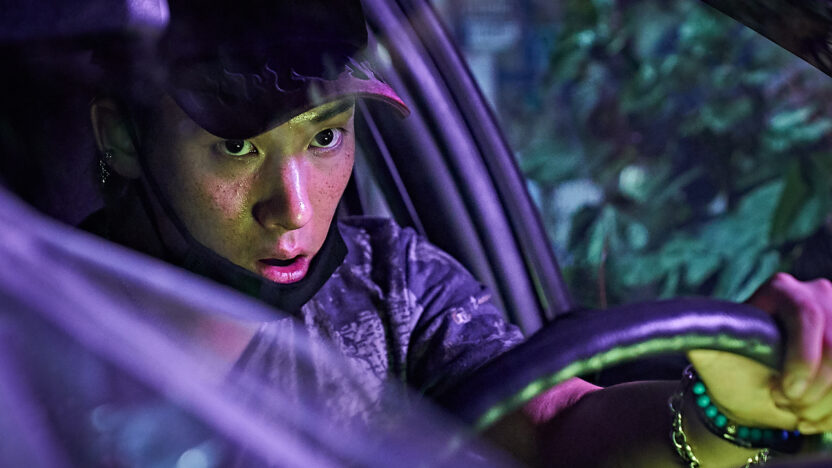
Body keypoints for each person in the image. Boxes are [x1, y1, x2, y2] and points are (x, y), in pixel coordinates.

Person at [82, 0, 832, 466]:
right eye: (236, 147)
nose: (295, 209)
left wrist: (720, 416)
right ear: (120, 137)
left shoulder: (392, 284)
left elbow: (551, 421)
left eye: (325, 137)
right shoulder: (47, 316)